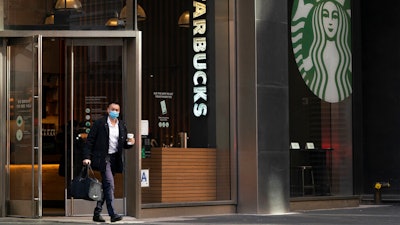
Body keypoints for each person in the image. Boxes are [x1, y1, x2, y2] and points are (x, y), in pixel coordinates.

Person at [82, 101, 135, 223]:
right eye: (113, 109)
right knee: (110, 184)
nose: (115, 112)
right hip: (103, 158)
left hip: (114, 159)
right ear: (107, 110)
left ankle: (97, 212)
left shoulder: (121, 125)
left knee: (106, 186)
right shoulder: (100, 123)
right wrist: (87, 157)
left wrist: (130, 142)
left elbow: (123, 145)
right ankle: (112, 214)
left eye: (117, 110)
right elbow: (90, 141)